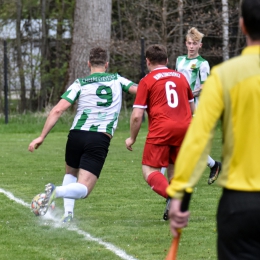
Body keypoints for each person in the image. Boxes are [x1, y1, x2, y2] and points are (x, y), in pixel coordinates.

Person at [167, 0, 260, 258]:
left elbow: (197, 138)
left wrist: (180, 194)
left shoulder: (224, 75)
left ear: (242, 26)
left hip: (241, 203)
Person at [28, 47, 138, 222]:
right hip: (98, 137)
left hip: (76, 135)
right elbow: (140, 90)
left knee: (71, 173)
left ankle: (68, 214)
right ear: (106, 64)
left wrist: (41, 137)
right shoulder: (118, 80)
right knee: (84, 189)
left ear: (89, 64)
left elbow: (57, 110)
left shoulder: (80, 83)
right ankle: (57, 191)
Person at [125, 44, 195, 219]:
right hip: (185, 127)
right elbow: (192, 107)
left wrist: (132, 138)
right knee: (173, 169)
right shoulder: (180, 77)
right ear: (167, 60)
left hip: (162, 129)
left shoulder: (147, 80)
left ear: (148, 62)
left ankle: (174, 197)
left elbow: (136, 116)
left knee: (150, 170)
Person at [176, 27, 221, 185]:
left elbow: (204, 87)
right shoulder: (179, 60)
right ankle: (213, 165)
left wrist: (188, 95)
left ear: (200, 45)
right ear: (185, 44)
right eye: (189, 43)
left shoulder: (203, 64)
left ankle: (211, 165)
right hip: (180, 107)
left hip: (195, 108)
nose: (192, 46)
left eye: (195, 43)